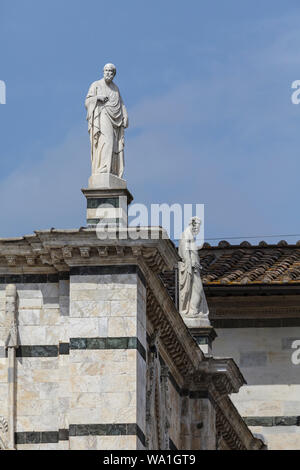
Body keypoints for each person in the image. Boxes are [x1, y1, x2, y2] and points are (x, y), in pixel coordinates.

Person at [85, 63, 128, 178]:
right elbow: (87, 101)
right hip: (102, 114)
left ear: (114, 74)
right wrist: (97, 98)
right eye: (107, 71)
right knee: (106, 140)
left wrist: (125, 115)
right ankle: (103, 167)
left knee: (114, 143)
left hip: (115, 120)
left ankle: (111, 169)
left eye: (111, 71)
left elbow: (121, 103)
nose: (108, 73)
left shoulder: (115, 89)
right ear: (103, 72)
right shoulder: (96, 85)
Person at [178, 217, 209, 317]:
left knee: (198, 290)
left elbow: (190, 249)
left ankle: (194, 310)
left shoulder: (189, 235)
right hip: (191, 268)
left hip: (194, 267)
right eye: (198, 226)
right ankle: (193, 311)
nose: (198, 229)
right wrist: (189, 263)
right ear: (194, 225)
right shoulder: (186, 234)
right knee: (198, 289)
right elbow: (184, 250)